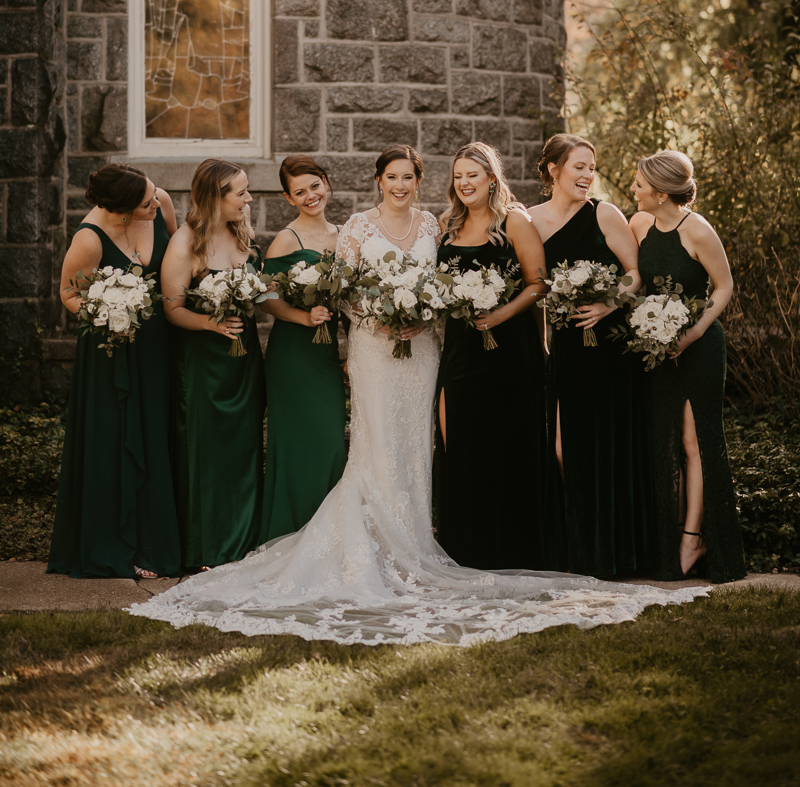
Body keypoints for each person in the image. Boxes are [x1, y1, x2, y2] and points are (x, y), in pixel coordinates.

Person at [129, 147, 707, 645]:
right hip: (375, 349)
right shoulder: (356, 227)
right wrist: (378, 317)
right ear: (378, 182)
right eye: (391, 177)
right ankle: (372, 542)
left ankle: (418, 536)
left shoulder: (435, 228)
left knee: (417, 443)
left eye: (409, 177)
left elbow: (442, 290)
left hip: (424, 349)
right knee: (377, 443)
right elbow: (349, 289)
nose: (401, 185)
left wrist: (420, 314)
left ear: (419, 182)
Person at [529, 133, 655, 579]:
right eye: (579, 166)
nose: (587, 175)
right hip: (564, 346)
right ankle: (572, 552)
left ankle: (610, 555)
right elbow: (533, 287)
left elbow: (634, 273)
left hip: (608, 348)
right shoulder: (529, 220)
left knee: (606, 446)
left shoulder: (605, 213)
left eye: (591, 167)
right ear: (553, 170)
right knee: (562, 447)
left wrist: (608, 303)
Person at [48, 163, 181, 579]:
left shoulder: (161, 203)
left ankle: (158, 541)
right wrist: (106, 310)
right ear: (121, 209)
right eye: (144, 203)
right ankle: (117, 545)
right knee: (117, 439)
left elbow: (177, 258)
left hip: (159, 345)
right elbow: (69, 292)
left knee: (158, 433)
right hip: (111, 352)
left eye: (153, 194)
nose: (154, 204)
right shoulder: (89, 239)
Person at [630, 150, 746, 582]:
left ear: (661, 193)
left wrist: (692, 333)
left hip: (698, 346)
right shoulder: (640, 223)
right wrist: (611, 300)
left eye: (639, 185)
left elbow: (724, 285)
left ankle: (694, 539)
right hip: (656, 348)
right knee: (665, 442)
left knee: (696, 441)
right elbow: (635, 278)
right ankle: (663, 544)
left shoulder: (697, 229)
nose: (634, 191)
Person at [435, 142, 548, 569]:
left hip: (510, 351)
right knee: (462, 443)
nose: (464, 183)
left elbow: (539, 283)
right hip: (463, 348)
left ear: (491, 180)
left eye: (473, 176)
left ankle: (514, 550)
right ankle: (465, 551)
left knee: (508, 446)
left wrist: (499, 313)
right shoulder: (447, 225)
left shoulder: (515, 222)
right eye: (458, 176)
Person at [162, 158, 266, 569]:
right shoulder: (186, 242)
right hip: (206, 364)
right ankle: (207, 547)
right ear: (215, 197)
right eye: (241, 193)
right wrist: (210, 323)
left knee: (243, 450)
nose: (249, 199)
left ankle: (243, 541)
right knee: (206, 452)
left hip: (244, 362)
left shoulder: (243, 233)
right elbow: (172, 310)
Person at [259, 155, 346, 542]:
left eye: (315, 185)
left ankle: (329, 536)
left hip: (325, 355)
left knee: (330, 440)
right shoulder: (285, 239)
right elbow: (266, 298)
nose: (311, 196)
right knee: (298, 442)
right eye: (300, 192)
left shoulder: (347, 234)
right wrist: (302, 316)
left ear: (326, 183)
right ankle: (290, 533)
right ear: (288, 198)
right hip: (294, 353)